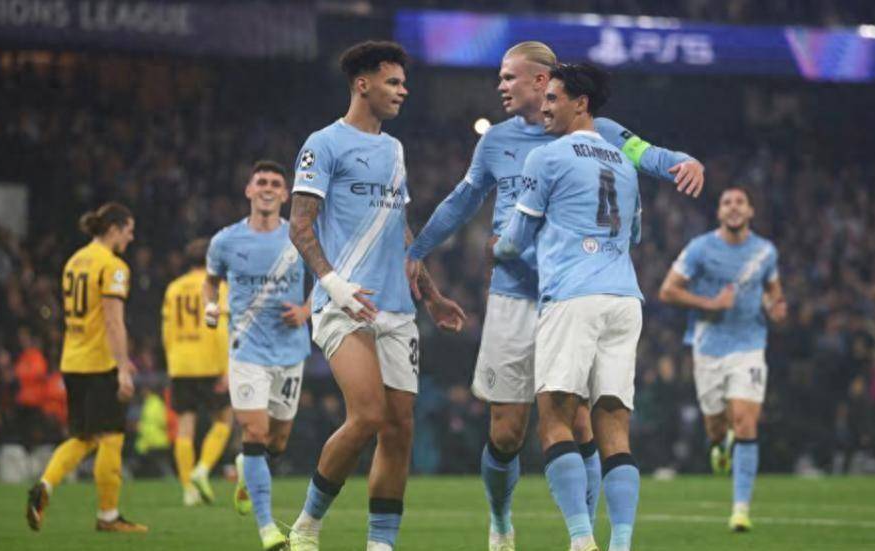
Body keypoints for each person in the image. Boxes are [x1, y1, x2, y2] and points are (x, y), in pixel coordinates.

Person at [405, 41, 703, 551]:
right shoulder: (496, 141)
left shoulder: (602, 133)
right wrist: (419, 250)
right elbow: (462, 200)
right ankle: (501, 519)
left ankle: (580, 536)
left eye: (509, 77)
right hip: (515, 295)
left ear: (543, 81)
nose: (500, 85)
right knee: (506, 431)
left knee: (579, 421)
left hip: (569, 293)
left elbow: (646, 155)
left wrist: (683, 161)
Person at [286, 41, 466, 551]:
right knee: (367, 415)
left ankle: (380, 544)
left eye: (404, 83)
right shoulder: (324, 144)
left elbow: (399, 229)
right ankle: (307, 525)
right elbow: (299, 225)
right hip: (345, 303)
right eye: (393, 82)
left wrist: (430, 294)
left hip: (397, 309)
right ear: (362, 84)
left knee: (399, 428)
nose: (403, 91)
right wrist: (332, 283)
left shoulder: (394, 150)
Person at [493, 63, 663, 551]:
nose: (544, 107)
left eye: (553, 99)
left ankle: (581, 539)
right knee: (615, 428)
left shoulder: (547, 157)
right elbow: (635, 235)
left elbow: (515, 241)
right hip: (624, 299)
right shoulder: (625, 164)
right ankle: (621, 544)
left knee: (555, 420)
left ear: (581, 104)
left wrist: (497, 247)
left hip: (573, 297)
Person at [658, 186, 787, 531]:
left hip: (749, 345)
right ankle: (720, 444)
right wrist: (710, 304)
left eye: (740, 202)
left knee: (745, 421)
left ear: (750, 211)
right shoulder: (700, 248)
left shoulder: (765, 252)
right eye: (727, 202)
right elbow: (668, 290)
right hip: (708, 347)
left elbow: (774, 292)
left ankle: (740, 510)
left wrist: (776, 308)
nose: (733, 207)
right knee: (715, 427)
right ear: (719, 212)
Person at [205, 160, 313, 550]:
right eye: (261, 182)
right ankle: (268, 529)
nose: (267, 188)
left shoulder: (300, 237)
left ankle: (245, 467)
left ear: (285, 194)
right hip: (246, 350)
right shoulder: (225, 241)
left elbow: (325, 279)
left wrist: (306, 310)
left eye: (275, 183)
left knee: (277, 441)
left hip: (290, 350)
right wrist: (210, 306)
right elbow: (211, 281)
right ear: (249, 190)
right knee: (254, 431)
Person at [26, 202, 147, 533]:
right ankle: (108, 516)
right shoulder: (113, 266)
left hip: (72, 361)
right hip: (99, 364)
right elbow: (112, 320)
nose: (131, 237)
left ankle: (45, 485)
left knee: (84, 437)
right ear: (113, 229)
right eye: (128, 230)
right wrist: (123, 368)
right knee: (112, 437)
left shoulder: (74, 261)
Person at [161, 237, 232, 506]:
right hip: (210, 361)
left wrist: (172, 362)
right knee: (224, 420)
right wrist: (227, 367)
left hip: (181, 363)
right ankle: (202, 469)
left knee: (184, 428)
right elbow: (222, 329)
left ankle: (188, 490)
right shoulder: (218, 286)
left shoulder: (173, 288)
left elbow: (166, 331)